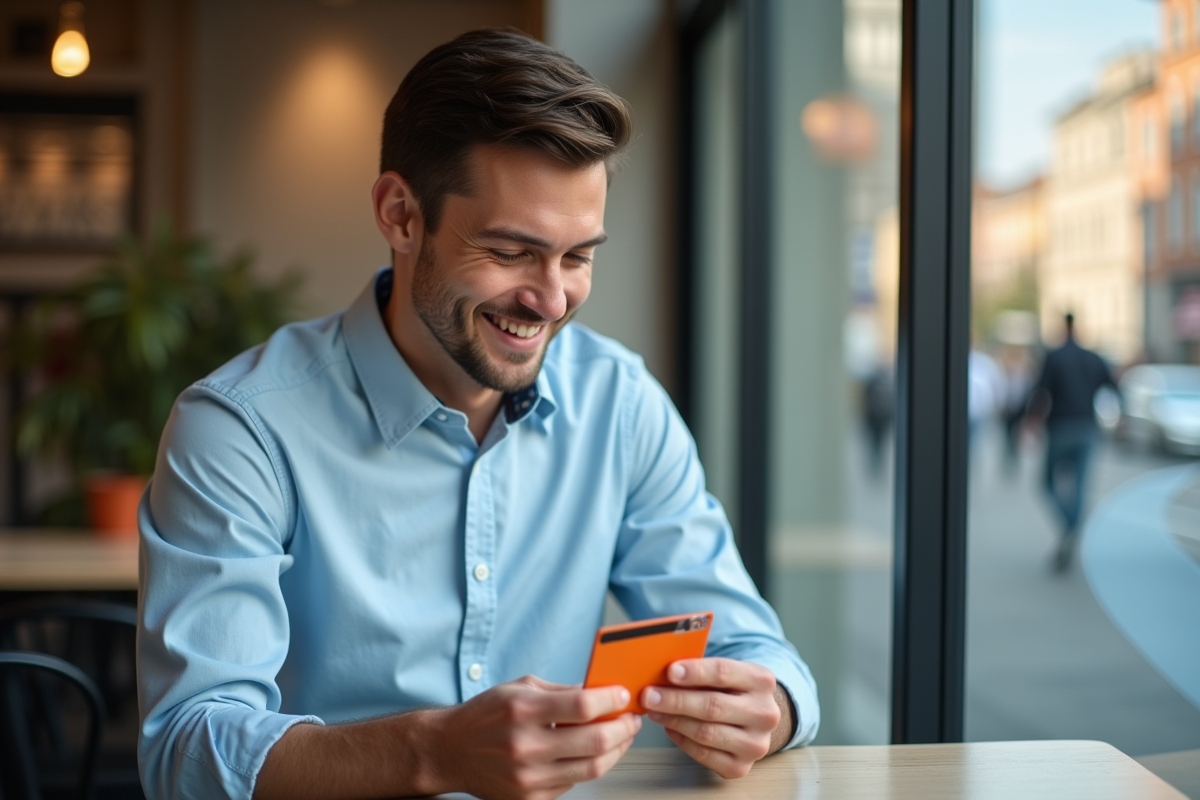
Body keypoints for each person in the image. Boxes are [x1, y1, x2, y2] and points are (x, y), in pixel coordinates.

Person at [136, 29, 818, 800]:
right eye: (510, 251)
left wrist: (772, 705)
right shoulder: (239, 431)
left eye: (578, 256)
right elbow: (188, 748)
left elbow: (759, 650)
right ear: (400, 214)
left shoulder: (621, 404)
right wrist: (434, 752)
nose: (552, 299)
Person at [1025, 313, 1118, 573]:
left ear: (1062, 327)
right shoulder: (1094, 358)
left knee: (1046, 482)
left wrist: (1028, 420)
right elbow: (1114, 387)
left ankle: (1069, 526)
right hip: (1087, 428)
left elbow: (1039, 390)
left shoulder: (1054, 357)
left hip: (1061, 427)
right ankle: (1072, 527)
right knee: (1078, 484)